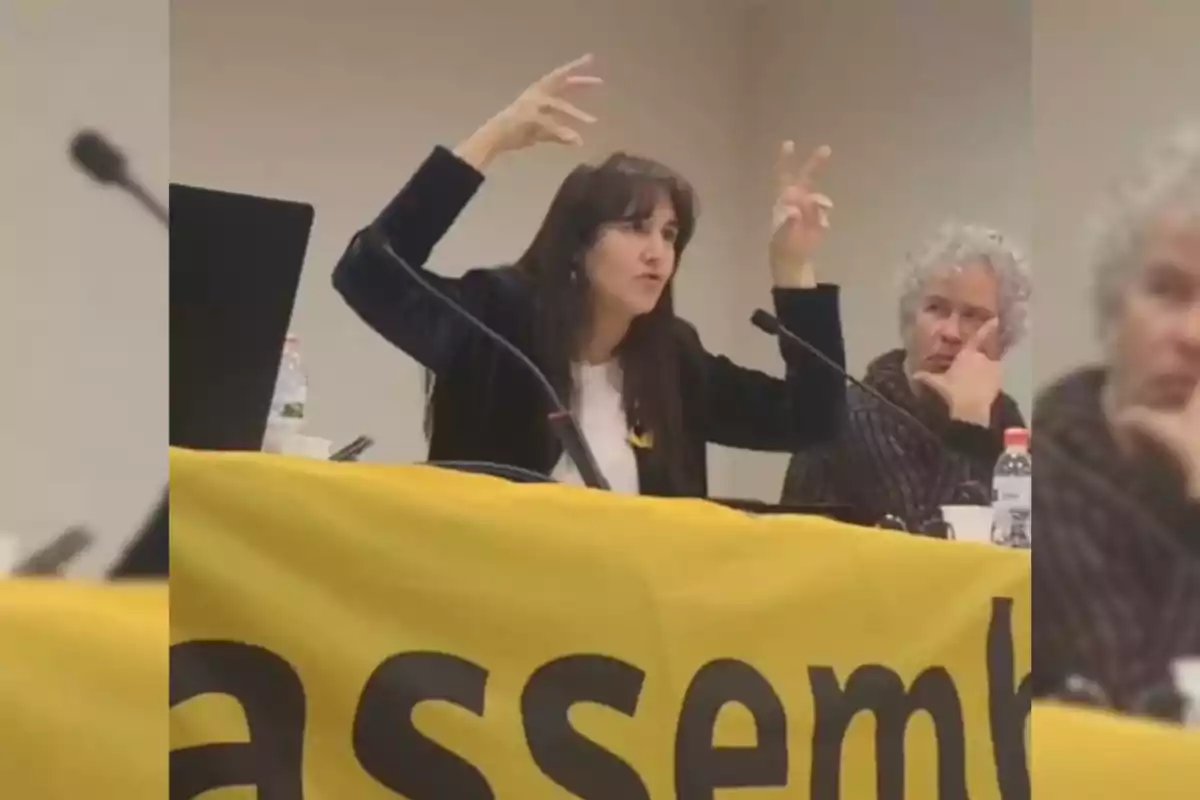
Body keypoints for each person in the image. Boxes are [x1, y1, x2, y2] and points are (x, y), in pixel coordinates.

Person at [332, 55, 847, 498]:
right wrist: (493, 141)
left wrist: (792, 264)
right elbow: (368, 274)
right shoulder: (498, 322)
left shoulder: (672, 357)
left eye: (669, 235)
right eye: (635, 228)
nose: (658, 253)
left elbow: (811, 419)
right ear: (577, 247)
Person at [1034, 125, 1200, 723]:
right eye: (1167, 291)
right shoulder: (1044, 479)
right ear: (1114, 304)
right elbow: (1145, 726)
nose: (1193, 336)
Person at [781, 223, 1030, 530]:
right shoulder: (857, 416)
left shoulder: (1004, 417)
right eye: (936, 309)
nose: (951, 333)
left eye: (973, 316)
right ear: (911, 319)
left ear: (1003, 336)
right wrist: (968, 426)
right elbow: (933, 549)